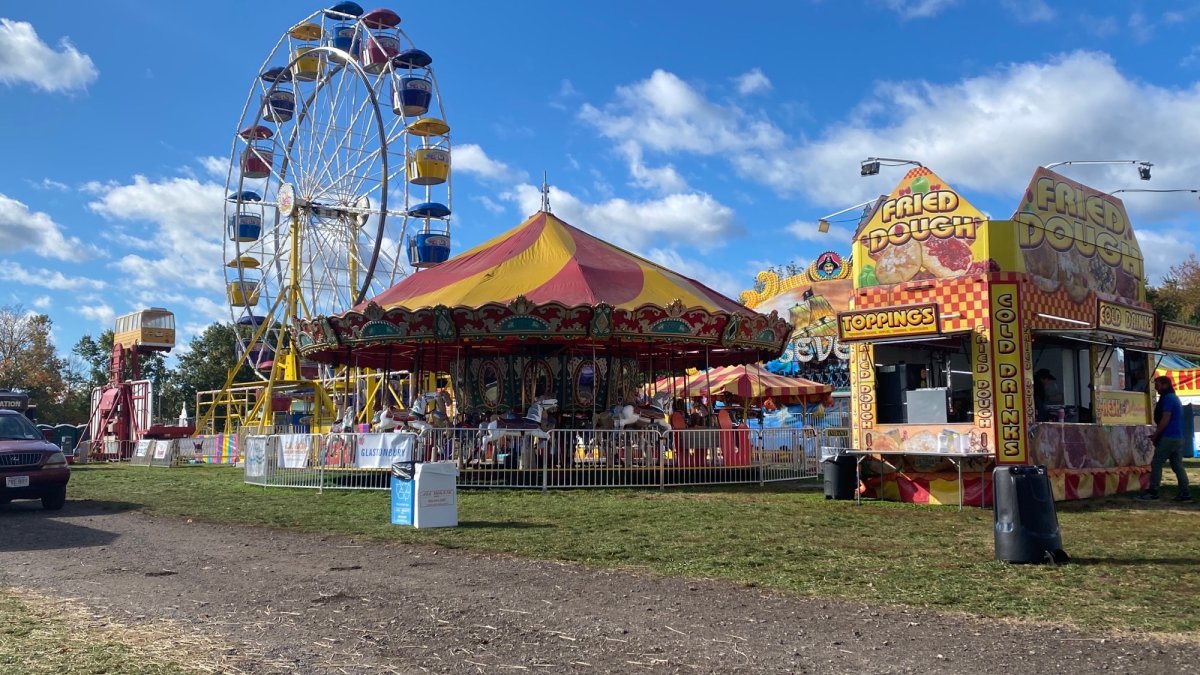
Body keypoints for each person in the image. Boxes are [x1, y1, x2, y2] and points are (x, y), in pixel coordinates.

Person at [1139, 375, 1192, 502]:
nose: (1156, 388)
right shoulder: (1174, 398)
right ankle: (1185, 493)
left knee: (1156, 463)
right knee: (1177, 465)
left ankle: (1153, 492)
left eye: (1158, 385)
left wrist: (1156, 434)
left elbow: (1165, 418)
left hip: (1168, 437)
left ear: (1165, 385)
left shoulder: (1168, 398)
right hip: (1178, 437)